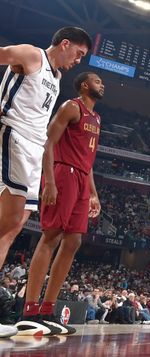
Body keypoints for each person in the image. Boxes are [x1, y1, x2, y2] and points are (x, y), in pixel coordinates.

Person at [0, 27, 91, 337]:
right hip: (13, 136)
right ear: (64, 44)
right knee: (9, 221)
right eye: (78, 53)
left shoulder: (56, 77)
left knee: (12, 230)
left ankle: (25, 314)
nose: (78, 61)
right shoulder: (31, 54)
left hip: (34, 150)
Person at [14, 72, 103, 336]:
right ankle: (29, 310)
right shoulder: (70, 107)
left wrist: (94, 194)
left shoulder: (96, 118)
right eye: (98, 81)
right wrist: (50, 181)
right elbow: (48, 142)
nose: (103, 85)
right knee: (51, 236)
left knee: (73, 241)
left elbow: (89, 161)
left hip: (82, 178)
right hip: (63, 173)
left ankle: (48, 310)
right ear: (85, 85)